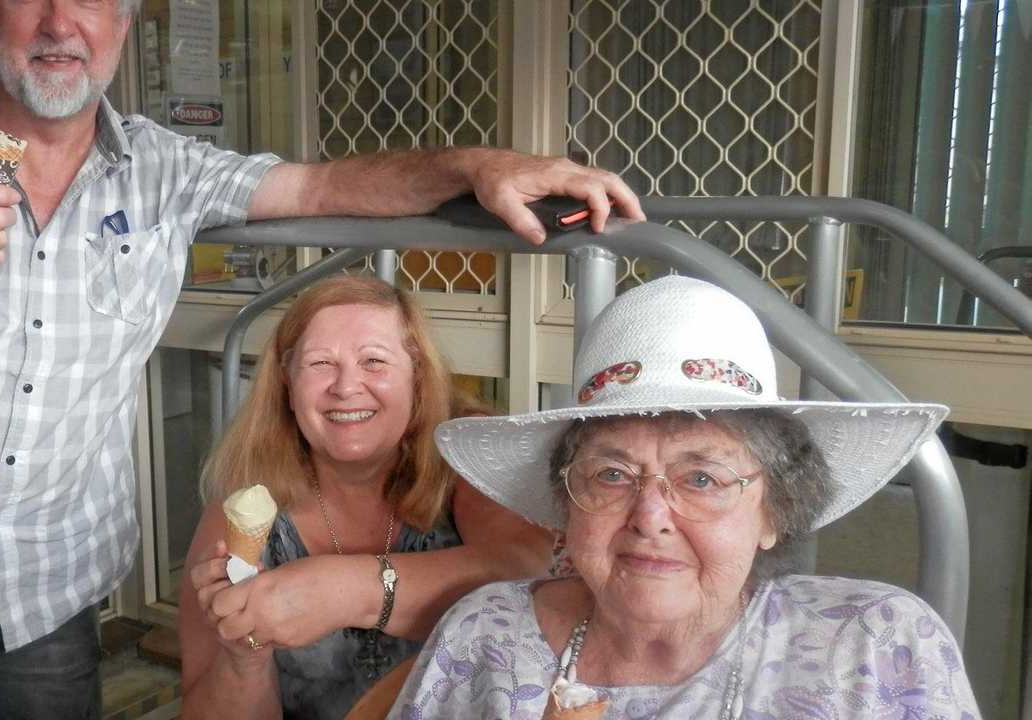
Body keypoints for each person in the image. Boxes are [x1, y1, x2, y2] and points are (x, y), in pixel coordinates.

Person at [0, 0, 643, 716]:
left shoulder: (166, 170)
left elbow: (323, 188)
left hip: (46, 589)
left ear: (123, 21)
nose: (57, 23)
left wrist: (480, 166)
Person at [390, 276, 980, 719]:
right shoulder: (485, 636)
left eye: (702, 479)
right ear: (567, 503)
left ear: (773, 511)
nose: (649, 518)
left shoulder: (876, 646)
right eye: (613, 475)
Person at [180, 275, 554, 720]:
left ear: (417, 375)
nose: (346, 387)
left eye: (374, 361)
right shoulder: (247, 504)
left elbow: (529, 570)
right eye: (320, 363)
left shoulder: (467, 459)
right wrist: (244, 658)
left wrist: (345, 589)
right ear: (287, 381)